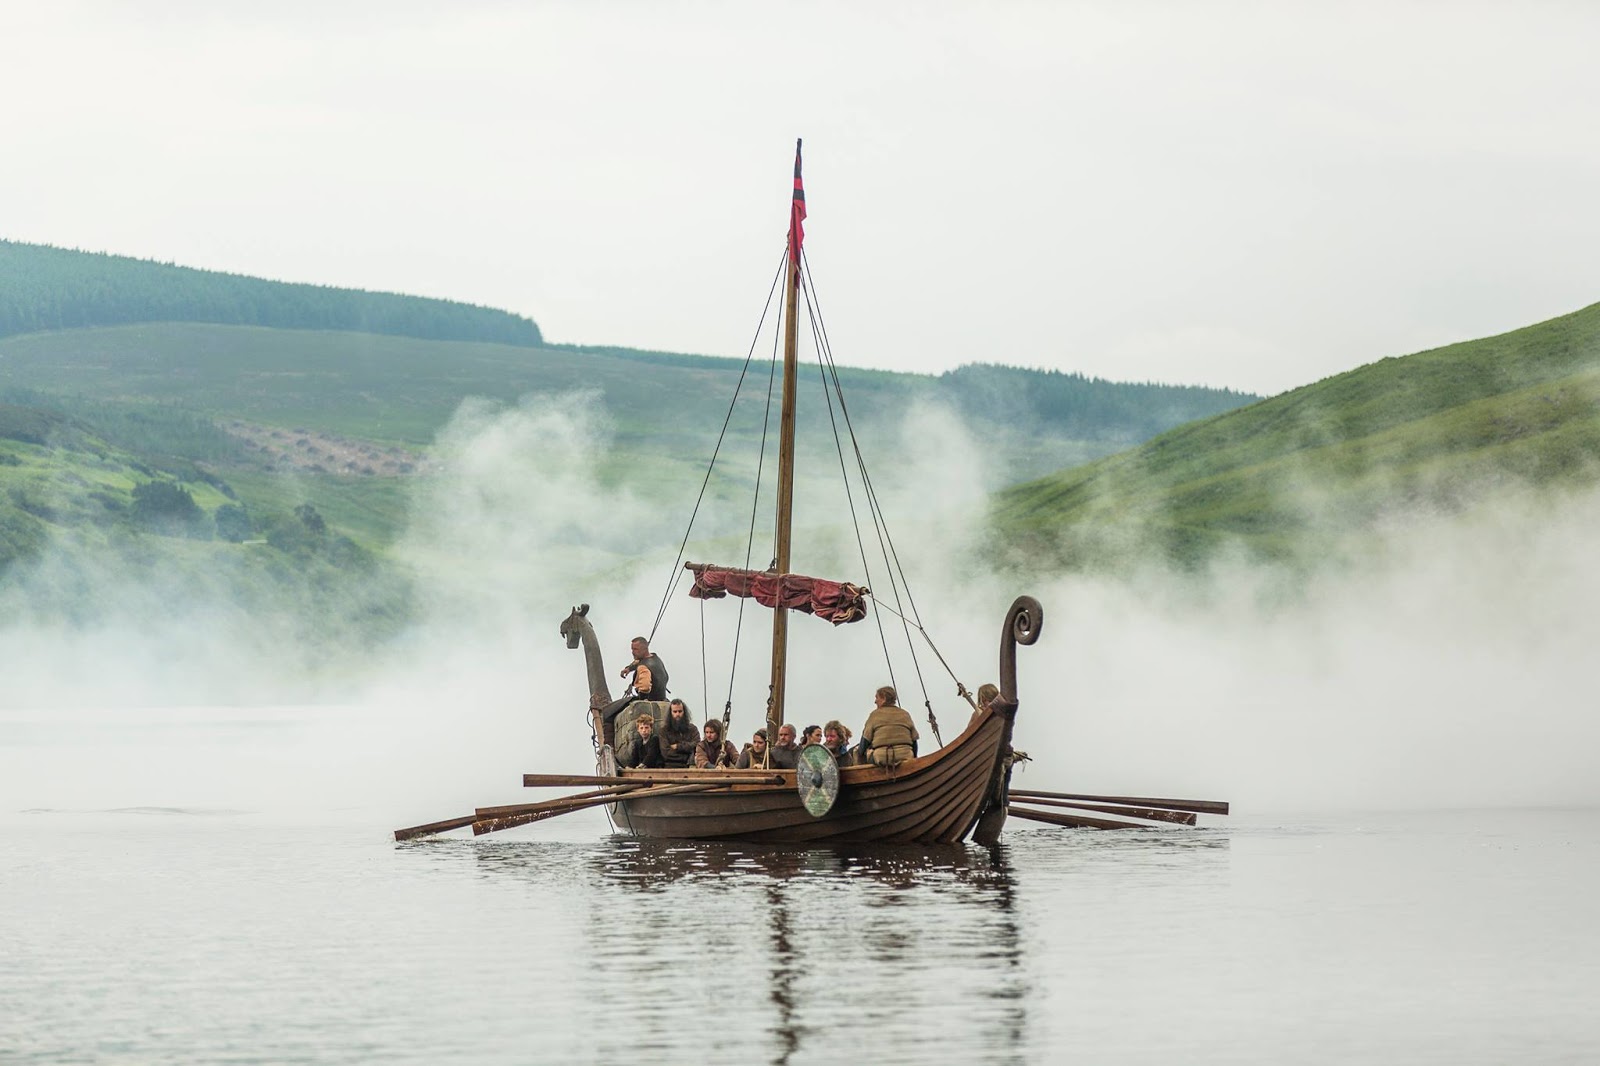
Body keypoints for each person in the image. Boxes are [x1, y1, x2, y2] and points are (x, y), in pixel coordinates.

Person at [601, 636, 670, 741]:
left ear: (644, 649)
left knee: (608, 712)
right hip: (662, 696)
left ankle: (608, 744)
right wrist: (629, 668)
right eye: (632, 649)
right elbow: (639, 661)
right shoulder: (655, 658)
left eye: (636, 649)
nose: (633, 652)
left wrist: (641, 700)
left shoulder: (643, 668)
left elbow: (645, 686)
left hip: (649, 699)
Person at [861, 684, 919, 767]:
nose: (875, 701)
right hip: (905, 756)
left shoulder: (874, 715)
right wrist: (914, 759)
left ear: (884, 698)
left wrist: (861, 753)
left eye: (877, 697)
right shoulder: (905, 714)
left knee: (857, 752)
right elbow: (914, 741)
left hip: (882, 758)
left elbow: (865, 741)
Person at [659, 698, 700, 769]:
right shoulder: (664, 730)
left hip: (689, 767)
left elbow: (697, 745)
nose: (677, 714)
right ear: (670, 713)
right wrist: (686, 754)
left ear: (684, 712)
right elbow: (666, 753)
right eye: (675, 712)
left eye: (680, 711)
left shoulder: (692, 729)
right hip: (670, 768)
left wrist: (678, 747)